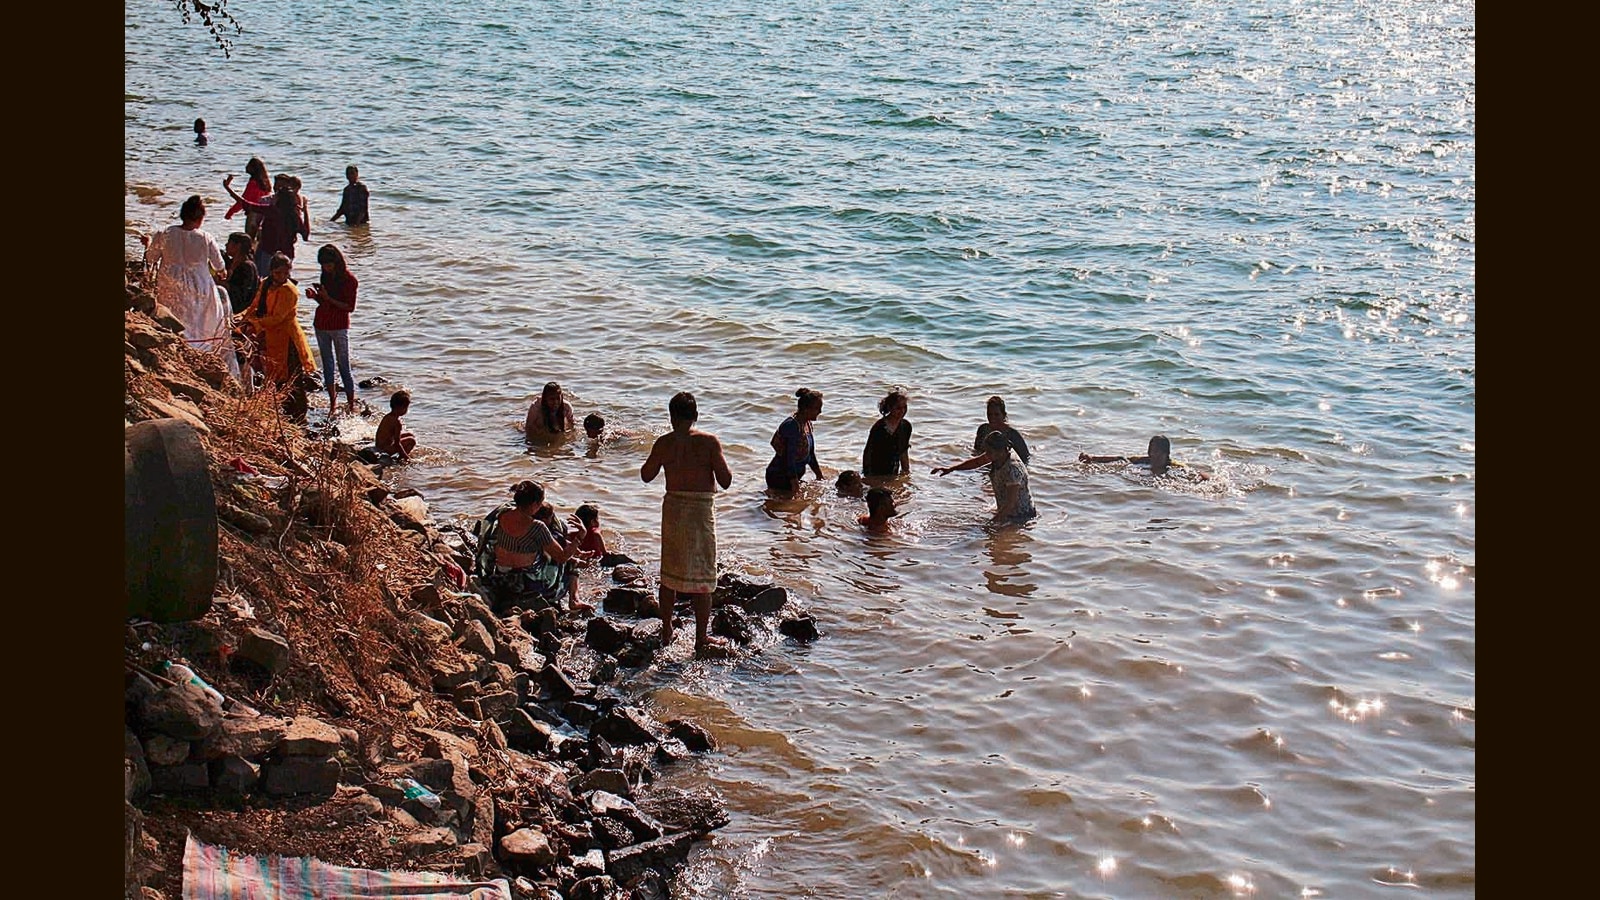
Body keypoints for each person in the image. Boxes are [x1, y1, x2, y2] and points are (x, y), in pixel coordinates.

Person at [641, 391, 733, 658]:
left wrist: (666, 458)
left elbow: (647, 475)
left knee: (669, 572)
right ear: (696, 416)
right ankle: (700, 638)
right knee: (704, 576)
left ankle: (667, 629)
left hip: (673, 510)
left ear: (671, 417)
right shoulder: (709, 442)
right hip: (700, 512)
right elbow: (726, 481)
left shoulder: (664, 443)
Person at [140, 194, 239, 381]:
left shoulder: (165, 233)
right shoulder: (205, 237)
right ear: (200, 218)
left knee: (176, 316)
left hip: (170, 283)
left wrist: (147, 246)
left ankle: (176, 347)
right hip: (199, 284)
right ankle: (198, 354)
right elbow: (219, 266)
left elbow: (150, 259)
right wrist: (222, 272)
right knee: (199, 319)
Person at [482, 481, 583, 614]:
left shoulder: (501, 513)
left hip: (502, 578)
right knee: (570, 562)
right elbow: (562, 557)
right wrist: (579, 537)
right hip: (526, 585)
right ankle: (574, 600)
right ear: (535, 504)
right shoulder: (537, 527)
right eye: (541, 502)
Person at [237, 252, 316, 387]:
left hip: (286, 337)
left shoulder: (289, 290)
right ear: (272, 271)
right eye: (278, 273)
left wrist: (255, 323)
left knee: (288, 375)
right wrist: (241, 319)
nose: (282, 276)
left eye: (286, 273)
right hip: (269, 334)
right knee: (270, 370)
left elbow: (277, 318)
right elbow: (254, 305)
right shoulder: (265, 284)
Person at [932, 430, 1037, 523]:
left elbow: (1011, 504)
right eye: (986, 451)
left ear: (1001, 451)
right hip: (1007, 512)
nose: (987, 455)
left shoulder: (1012, 469)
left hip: (1021, 517)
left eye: (990, 452)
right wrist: (951, 469)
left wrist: (991, 523)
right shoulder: (999, 456)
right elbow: (977, 462)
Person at [306, 244, 358, 416]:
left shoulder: (350, 280)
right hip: (322, 324)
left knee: (344, 366)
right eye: (323, 265)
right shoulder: (325, 276)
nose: (326, 268)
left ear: (336, 262)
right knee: (328, 365)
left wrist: (328, 298)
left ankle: (351, 404)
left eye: (328, 264)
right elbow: (324, 302)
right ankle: (332, 404)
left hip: (339, 325)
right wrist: (316, 297)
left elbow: (349, 307)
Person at [223, 172, 309, 275]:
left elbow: (245, 203)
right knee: (281, 283)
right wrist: (306, 211)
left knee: (263, 280)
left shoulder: (272, 210)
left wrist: (228, 188)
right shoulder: (294, 216)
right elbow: (306, 235)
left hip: (268, 252)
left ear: (279, 199)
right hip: (286, 256)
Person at [765, 388, 824, 491]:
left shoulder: (807, 424)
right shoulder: (792, 426)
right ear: (806, 409)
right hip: (779, 476)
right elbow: (789, 459)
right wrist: (795, 484)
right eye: (817, 408)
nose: (820, 411)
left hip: (793, 476)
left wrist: (819, 475)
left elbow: (810, 454)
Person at [1078, 435, 1209, 480]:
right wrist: (1092, 458)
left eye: (1158, 452)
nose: (1154, 456)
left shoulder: (1174, 466)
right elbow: (1120, 459)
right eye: (1152, 452)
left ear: (1166, 454)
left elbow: (1194, 473)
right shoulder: (1145, 460)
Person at [862, 389, 912, 477]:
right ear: (889, 407)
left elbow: (903, 452)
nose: (902, 411)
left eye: (904, 407)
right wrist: (868, 475)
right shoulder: (879, 427)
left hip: (893, 469)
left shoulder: (906, 426)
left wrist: (906, 472)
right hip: (875, 469)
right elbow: (868, 452)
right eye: (898, 408)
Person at [973, 396, 1031, 466]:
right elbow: (976, 451)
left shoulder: (1013, 435)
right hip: (985, 467)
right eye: (989, 414)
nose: (992, 418)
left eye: (996, 414)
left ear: (1004, 415)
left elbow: (1025, 459)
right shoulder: (983, 429)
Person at [224, 157, 272, 239]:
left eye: (249, 165)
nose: (246, 167)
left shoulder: (252, 183)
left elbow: (243, 201)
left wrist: (230, 212)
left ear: (253, 169)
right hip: (264, 215)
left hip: (253, 214)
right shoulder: (266, 183)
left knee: (250, 241)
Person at [217, 232, 259, 314]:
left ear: (238, 246)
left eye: (229, 243)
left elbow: (242, 293)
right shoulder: (231, 262)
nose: (226, 245)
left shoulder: (247, 266)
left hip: (241, 308)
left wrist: (219, 282)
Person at [375, 390, 416, 460]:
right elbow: (397, 443)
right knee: (412, 440)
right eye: (406, 408)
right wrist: (407, 457)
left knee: (410, 434)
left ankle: (402, 455)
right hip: (385, 450)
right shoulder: (397, 422)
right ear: (402, 408)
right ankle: (401, 458)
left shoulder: (387, 416)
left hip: (379, 445)